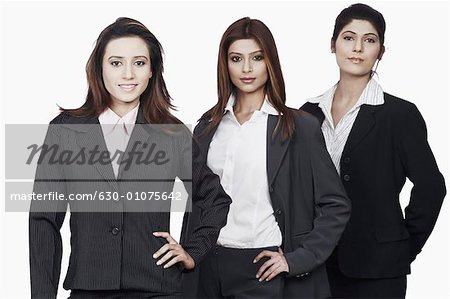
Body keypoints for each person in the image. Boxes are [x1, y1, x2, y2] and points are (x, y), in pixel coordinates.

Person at [29, 17, 231, 299]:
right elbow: (44, 220)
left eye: (139, 63)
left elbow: (214, 198)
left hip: (156, 288)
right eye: (116, 63)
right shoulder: (66, 130)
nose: (128, 74)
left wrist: (192, 252)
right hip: (89, 288)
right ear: (99, 69)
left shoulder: (170, 133)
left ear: (152, 70)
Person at [184, 17, 351, 299]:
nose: (246, 68)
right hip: (208, 267)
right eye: (236, 58)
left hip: (262, 267)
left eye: (257, 58)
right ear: (225, 64)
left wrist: (297, 259)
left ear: (269, 62)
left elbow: (336, 205)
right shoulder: (207, 127)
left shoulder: (300, 127)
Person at [300, 3, 446, 298]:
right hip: (315, 264)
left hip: (378, 271)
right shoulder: (307, 114)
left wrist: (403, 247)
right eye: (348, 37)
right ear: (333, 45)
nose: (357, 48)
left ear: (381, 51)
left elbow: (432, 187)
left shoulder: (399, 115)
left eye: (369, 40)